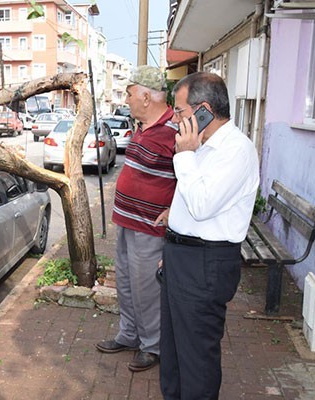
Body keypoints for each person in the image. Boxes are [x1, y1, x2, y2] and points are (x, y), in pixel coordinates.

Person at [159, 72, 259, 399]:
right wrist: (172, 237)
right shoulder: (201, 145)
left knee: (196, 359)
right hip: (181, 256)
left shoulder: (236, 151)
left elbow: (202, 206)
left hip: (205, 262)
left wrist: (184, 155)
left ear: (203, 110)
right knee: (173, 353)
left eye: (179, 111)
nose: (174, 119)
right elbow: (189, 202)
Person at [95, 65, 177, 372]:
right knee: (127, 284)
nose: (126, 100)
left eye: (129, 94)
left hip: (150, 226)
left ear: (145, 96)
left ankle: (152, 346)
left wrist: (175, 210)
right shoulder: (142, 125)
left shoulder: (175, 129)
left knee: (147, 290)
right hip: (128, 220)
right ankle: (129, 335)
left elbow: (188, 179)